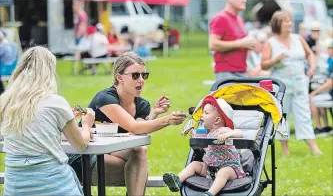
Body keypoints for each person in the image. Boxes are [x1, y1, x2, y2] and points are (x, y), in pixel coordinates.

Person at [68, 52, 186, 195]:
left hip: (111, 154)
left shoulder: (142, 105)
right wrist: (167, 120)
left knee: (139, 151)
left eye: (144, 75)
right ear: (119, 78)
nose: (141, 80)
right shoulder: (105, 98)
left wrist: (154, 113)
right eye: (135, 75)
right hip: (85, 156)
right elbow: (134, 127)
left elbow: (139, 131)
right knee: (137, 170)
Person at [0, 46, 95, 195]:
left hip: (15, 186)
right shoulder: (55, 102)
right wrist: (87, 125)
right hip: (53, 185)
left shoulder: (5, 102)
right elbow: (80, 144)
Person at [261, 10, 322, 155]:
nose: (289, 23)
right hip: (282, 85)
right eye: (286, 21)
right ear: (278, 24)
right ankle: (285, 150)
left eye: (290, 20)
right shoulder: (271, 43)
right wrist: (276, 60)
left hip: (300, 83)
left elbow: (309, 54)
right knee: (283, 116)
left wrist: (312, 66)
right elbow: (264, 65)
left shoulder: (298, 39)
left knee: (304, 114)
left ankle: (314, 147)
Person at [163, 96, 245, 196]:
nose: (201, 116)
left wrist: (228, 135)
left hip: (229, 168)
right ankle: (177, 181)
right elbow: (207, 150)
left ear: (217, 120)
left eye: (206, 113)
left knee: (223, 173)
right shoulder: (206, 134)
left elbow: (240, 133)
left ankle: (210, 193)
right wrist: (196, 139)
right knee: (194, 165)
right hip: (209, 169)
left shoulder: (223, 130)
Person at [209, 0, 257, 80]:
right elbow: (213, 44)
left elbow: (242, 43)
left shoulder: (240, 19)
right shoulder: (220, 18)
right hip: (227, 73)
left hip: (243, 72)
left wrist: (250, 45)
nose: (244, 0)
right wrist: (240, 44)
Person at [310, 40, 333, 136]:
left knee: (312, 99)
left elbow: (330, 83)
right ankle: (326, 127)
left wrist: (313, 93)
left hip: (331, 93)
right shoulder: (329, 60)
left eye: (329, 48)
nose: (328, 50)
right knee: (320, 99)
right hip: (329, 92)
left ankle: (319, 128)